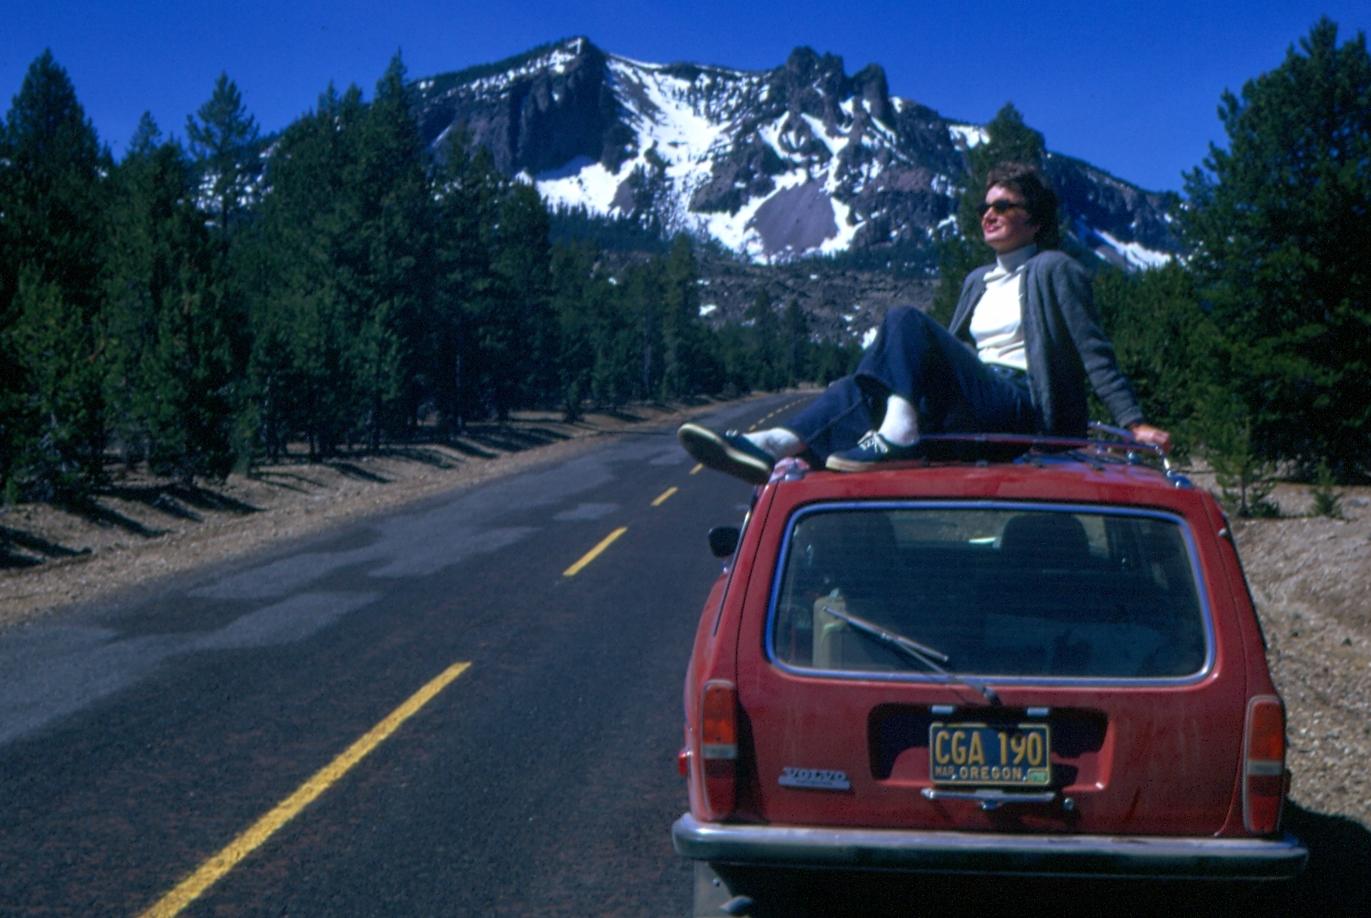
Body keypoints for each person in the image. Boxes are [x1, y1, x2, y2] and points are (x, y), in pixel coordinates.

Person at [679, 162, 1171, 485]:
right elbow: (950, 354)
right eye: (985, 207)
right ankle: (780, 443)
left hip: (1022, 407)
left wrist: (1135, 422)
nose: (989, 214)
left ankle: (900, 435)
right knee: (860, 384)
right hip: (977, 404)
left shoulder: (1054, 268)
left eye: (1004, 206)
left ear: (1035, 219)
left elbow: (1094, 350)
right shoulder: (978, 280)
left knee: (904, 320)